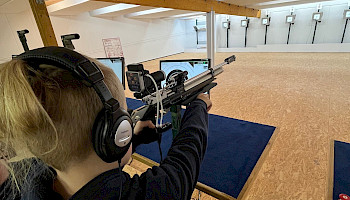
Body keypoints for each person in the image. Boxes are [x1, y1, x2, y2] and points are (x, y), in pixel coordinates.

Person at [0, 47, 212, 200]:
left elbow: (85, 154)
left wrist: (133, 140)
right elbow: (184, 163)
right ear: (115, 134)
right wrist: (199, 106)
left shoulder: (31, 180)